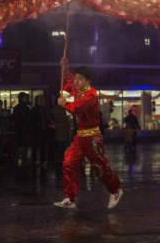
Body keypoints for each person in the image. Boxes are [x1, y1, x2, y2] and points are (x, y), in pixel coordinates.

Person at [54, 66, 122, 210]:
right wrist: (65, 67)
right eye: (76, 79)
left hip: (92, 137)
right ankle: (70, 198)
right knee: (68, 162)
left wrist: (64, 103)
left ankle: (115, 190)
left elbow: (77, 108)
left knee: (99, 167)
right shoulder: (77, 90)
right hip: (80, 137)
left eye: (80, 79)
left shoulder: (91, 95)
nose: (76, 82)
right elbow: (68, 78)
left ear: (87, 81)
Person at [52, 100, 73, 178]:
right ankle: (58, 162)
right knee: (60, 148)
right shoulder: (60, 110)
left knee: (61, 148)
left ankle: (59, 161)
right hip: (61, 132)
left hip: (62, 132)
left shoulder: (61, 109)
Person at [12, 92, 31, 167]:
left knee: (21, 147)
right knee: (22, 147)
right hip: (23, 130)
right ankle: (22, 162)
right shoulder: (25, 108)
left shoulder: (18, 108)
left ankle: (18, 162)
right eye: (25, 98)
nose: (26, 99)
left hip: (20, 130)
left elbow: (15, 120)